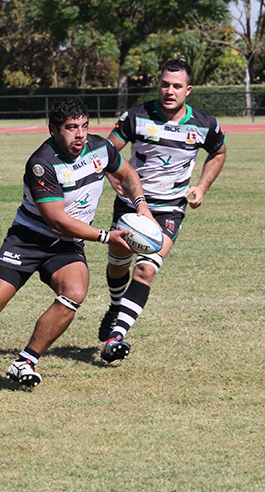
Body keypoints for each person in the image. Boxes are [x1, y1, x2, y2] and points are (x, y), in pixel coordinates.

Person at [0, 96, 152, 390]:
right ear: (53, 129)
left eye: (84, 126)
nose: (80, 134)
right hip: (28, 239)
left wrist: (141, 204)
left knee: (74, 292)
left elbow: (127, 174)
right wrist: (105, 236)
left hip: (67, 245)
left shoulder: (101, 148)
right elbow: (56, 219)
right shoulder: (41, 163)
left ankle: (26, 360)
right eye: (71, 128)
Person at [97, 58, 227, 363]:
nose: (170, 91)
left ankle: (117, 336)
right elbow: (105, 149)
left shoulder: (205, 124)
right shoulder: (136, 116)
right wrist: (113, 176)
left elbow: (219, 152)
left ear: (188, 90)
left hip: (169, 211)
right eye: (165, 84)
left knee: (145, 270)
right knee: (118, 265)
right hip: (131, 208)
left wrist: (202, 187)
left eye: (177, 86)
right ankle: (116, 305)